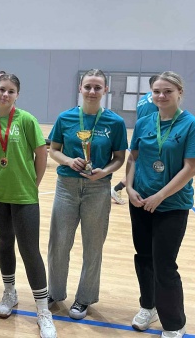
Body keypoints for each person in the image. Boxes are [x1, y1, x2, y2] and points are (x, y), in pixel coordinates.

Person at [126, 72, 195, 338]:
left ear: (180, 92)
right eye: (157, 91)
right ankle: (147, 306)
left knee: (164, 264)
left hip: (172, 205)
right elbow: (133, 158)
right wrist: (129, 188)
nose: (161, 96)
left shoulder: (192, 125)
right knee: (144, 258)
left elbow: (190, 168)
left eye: (168, 91)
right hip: (140, 201)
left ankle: (174, 323)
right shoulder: (144, 122)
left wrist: (160, 196)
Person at [47, 69, 128, 320]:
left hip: (98, 189)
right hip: (66, 187)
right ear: (80, 88)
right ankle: (55, 292)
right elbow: (53, 150)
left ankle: (84, 298)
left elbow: (119, 158)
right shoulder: (66, 118)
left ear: (105, 90)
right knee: (59, 243)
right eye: (88, 86)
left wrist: (105, 172)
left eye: (97, 87)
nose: (92, 91)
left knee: (93, 246)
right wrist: (69, 161)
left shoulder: (115, 122)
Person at [0, 74, 56, 338]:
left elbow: (41, 154)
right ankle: (9, 292)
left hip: (24, 195)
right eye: (2, 89)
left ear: (17, 95)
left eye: (11, 91)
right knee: (5, 242)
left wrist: (33, 183)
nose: (5, 94)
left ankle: (43, 311)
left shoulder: (26, 120)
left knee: (29, 250)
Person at [111, 75, 160, 204]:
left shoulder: (142, 99)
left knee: (137, 165)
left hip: (141, 134)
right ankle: (118, 189)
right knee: (140, 166)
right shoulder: (158, 100)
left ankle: (118, 188)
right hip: (152, 137)